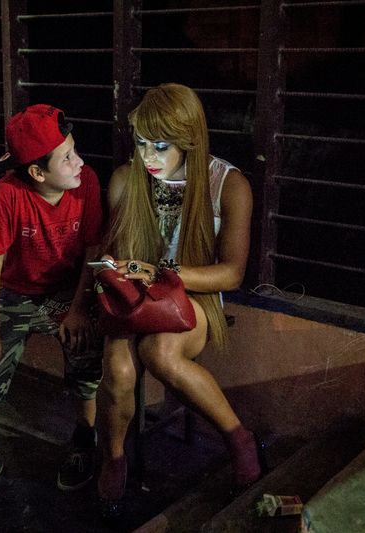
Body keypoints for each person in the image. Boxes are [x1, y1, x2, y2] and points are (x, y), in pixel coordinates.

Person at [97, 83, 264, 516]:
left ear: (188, 140)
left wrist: (165, 274)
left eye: (159, 146)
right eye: (139, 144)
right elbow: (107, 252)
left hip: (193, 294)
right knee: (117, 367)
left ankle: (238, 439)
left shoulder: (227, 184)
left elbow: (232, 272)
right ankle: (114, 456)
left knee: (161, 353)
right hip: (135, 299)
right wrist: (115, 270)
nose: (147, 158)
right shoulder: (124, 178)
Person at [0, 104, 103, 505]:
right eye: (67, 157)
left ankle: (84, 440)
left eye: (75, 150)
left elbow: (94, 246)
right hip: (15, 295)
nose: (80, 162)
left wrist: (77, 309)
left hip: (66, 292)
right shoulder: (8, 194)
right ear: (38, 173)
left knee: (85, 346)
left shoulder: (87, 182)